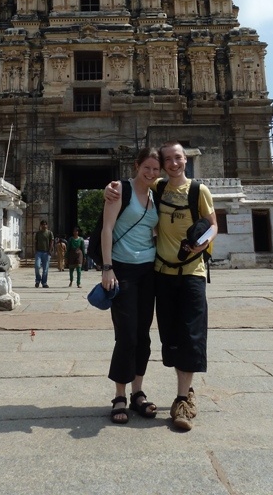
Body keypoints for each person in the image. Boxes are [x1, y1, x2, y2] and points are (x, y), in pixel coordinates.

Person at [105, 140, 217, 431]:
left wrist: (201, 244)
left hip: (181, 271)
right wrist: (109, 188)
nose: (169, 165)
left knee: (179, 334)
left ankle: (177, 397)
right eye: (160, 163)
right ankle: (124, 395)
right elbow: (117, 213)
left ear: (184, 160)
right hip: (151, 271)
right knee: (146, 334)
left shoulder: (193, 190)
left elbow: (213, 224)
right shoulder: (149, 189)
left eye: (175, 159)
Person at [100, 147, 161, 425]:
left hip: (149, 270)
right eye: (146, 167)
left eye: (155, 169)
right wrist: (107, 267)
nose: (151, 173)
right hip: (122, 270)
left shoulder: (158, 193)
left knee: (144, 334)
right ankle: (120, 395)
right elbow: (107, 228)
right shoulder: (119, 190)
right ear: (136, 165)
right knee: (126, 334)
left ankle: (138, 392)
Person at [34, 220, 54, 288]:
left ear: (47, 225)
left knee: (45, 269)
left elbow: (51, 242)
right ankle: (37, 280)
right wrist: (36, 250)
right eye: (42, 224)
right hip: (39, 252)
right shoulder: (38, 233)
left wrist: (50, 250)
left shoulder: (49, 233)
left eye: (45, 224)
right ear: (40, 225)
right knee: (37, 266)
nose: (44, 226)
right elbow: (36, 242)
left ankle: (44, 282)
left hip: (46, 252)